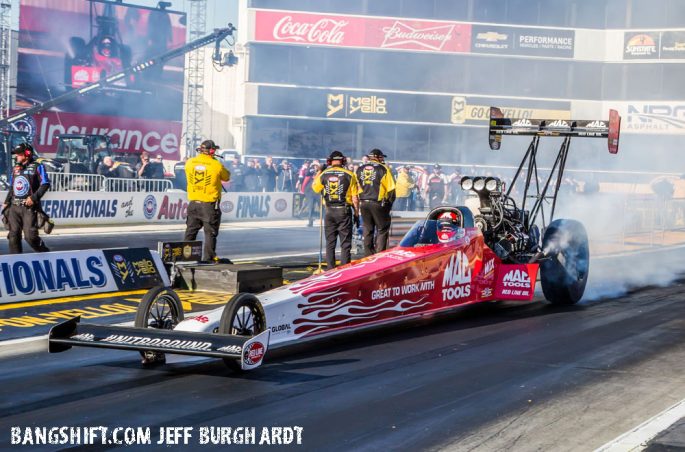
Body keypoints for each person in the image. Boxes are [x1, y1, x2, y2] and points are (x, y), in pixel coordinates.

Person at [184, 139, 230, 262]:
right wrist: (214, 161)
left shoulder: (189, 162)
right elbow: (227, 176)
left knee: (190, 232)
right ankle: (208, 259)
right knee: (210, 233)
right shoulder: (216, 164)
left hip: (193, 203)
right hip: (209, 205)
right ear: (212, 151)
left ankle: (185, 257)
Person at [313, 151, 360, 269]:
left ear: (330, 161)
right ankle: (344, 270)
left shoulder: (324, 174)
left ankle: (330, 269)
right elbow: (355, 198)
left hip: (329, 211)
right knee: (345, 244)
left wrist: (320, 170)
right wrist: (356, 214)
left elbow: (314, 187)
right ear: (342, 161)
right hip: (343, 211)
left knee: (330, 243)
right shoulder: (350, 174)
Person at [2, 143, 51, 254]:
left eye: (19, 154)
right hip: (14, 207)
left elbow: (45, 184)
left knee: (30, 236)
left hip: (29, 208)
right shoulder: (16, 169)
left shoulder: (38, 166)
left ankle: (46, 254)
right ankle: (15, 262)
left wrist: (34, 198)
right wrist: (6, 202)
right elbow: (12, 187)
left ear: (27, 154)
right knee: (13, 236)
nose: (16, 156)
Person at [356, 148, 395, 256]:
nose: (383, 159)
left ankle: (368, 255)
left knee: (367, 229)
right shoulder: (383, 169)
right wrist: (389, 204)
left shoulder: (359, 169)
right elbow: (391, 189)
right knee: (382, 229)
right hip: (378, 203)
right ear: (377, 157)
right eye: (382, 157)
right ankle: (379, 256)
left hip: (363, 203)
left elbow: (355, 186)